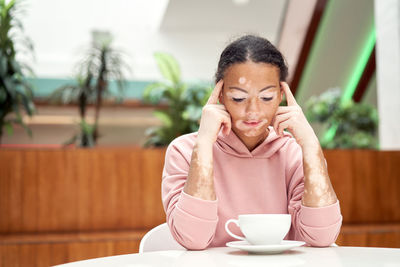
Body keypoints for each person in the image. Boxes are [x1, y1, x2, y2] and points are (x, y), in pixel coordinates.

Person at [161, 34, 342, 250]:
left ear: (281, 95)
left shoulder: (293, 153)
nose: (253, 111)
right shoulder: (184, 150)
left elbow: (322, 237)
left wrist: (311, 145)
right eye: (238, 98)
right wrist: (204, 143)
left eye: (266, 98)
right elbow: (193, 239)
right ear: (220, 95)